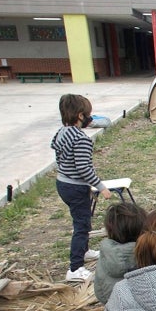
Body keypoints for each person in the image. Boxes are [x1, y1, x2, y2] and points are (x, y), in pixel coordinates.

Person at [51, 94, 111, 282]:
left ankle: (84, 251)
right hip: (75, 188)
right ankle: (75, 268)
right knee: (81, 225)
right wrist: (101, 187)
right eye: (87, 114)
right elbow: (84, 168)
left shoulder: (62, 132)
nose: (89, 118)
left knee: (82, 219)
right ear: (79, 115)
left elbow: (56, 149)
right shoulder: (82, 139)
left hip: (63, 183)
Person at [94, 202, 148, 305]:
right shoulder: (143, 253)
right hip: (138, 307)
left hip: (110, 301)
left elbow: (99, 288)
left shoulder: (106, 251)